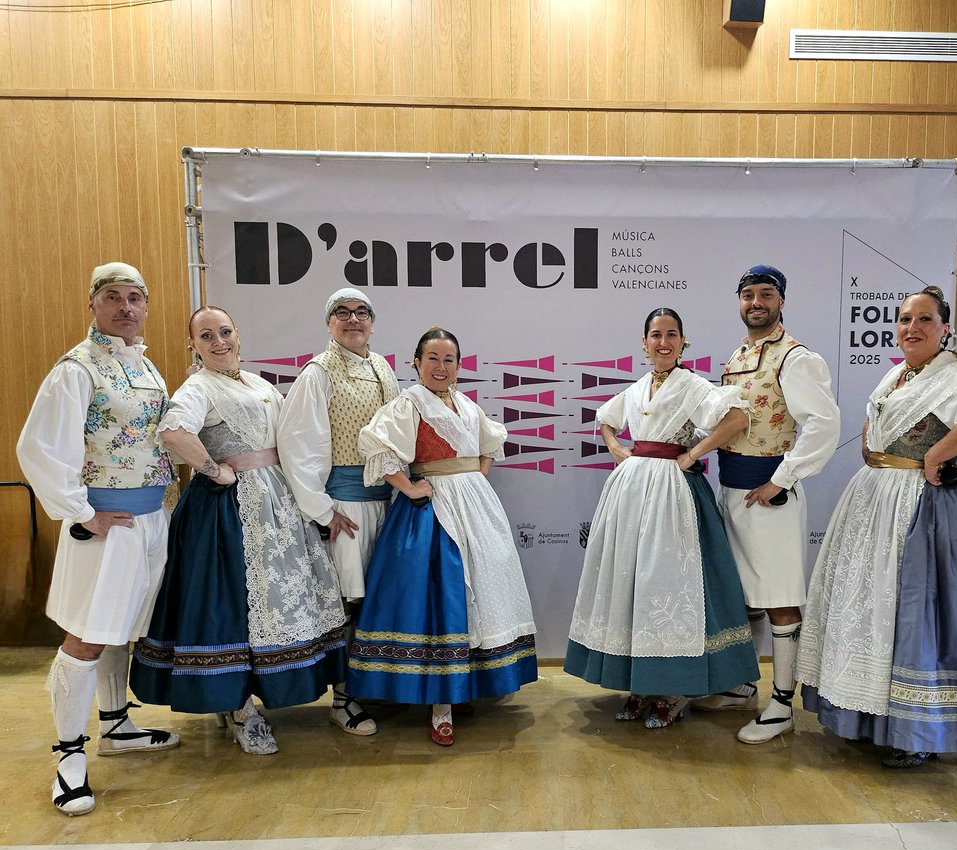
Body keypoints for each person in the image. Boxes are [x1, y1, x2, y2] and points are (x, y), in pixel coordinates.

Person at [795, 286, 957, 766]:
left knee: (913, 609)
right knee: (868, 605)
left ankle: (913, 729)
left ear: (945, 328)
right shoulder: (899, 375)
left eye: (924, 320)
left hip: (920, 505)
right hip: (877, 494)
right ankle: (864, 714)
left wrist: (938, 453)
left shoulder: (953, 375)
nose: (911, 328)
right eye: (904, 320)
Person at [130, 307, 348, 753]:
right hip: (229, 512)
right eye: (206, 335)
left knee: (272, 601)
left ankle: (244, 698)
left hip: (276, 501)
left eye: (224, 332)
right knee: (233, 603)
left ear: (238, 334)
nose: (218, 341)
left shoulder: (258, 384)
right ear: (192, 344)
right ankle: (239, 707)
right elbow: (173, 432)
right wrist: (214, 469)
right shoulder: (198, 386)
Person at [16, 262, 181, 816]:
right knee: (86, 637)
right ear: (93, 304)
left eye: (136, 297)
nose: (126, 307)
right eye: (113, 297)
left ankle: (116, 724)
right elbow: (39, 447)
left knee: (119, 631)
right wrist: (80, 514)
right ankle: (68, 756)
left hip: (148, 521)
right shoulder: (77, 368)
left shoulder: (145, 366)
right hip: (103, 527)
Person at [564, 308, 759, 729]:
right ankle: (643, 685)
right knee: (635, 585)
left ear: (683, 342)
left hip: (674, 495)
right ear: (644, 343)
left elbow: (739, 417)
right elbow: (605, 419)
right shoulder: (636, 389)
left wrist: (693, 453)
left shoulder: (692, 386)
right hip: (632, 492)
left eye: (672, 334)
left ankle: (676, 688)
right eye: (656, 334)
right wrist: (616, 447)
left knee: (669, 584)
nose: (663, 342)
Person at [349, 327, 537, 746]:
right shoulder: (409, 404)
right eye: (432, 358)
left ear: (459, 365)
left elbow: (491, 440)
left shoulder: (467, 406)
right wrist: (411, 486)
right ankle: (440, 705)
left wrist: (474, 475)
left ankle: (462, 686)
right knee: (444, 599)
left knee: (481, 598)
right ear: (416, 363)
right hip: (433, 513)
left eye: (448, 359)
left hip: (476, 508)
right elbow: (378, 447)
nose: (440, 367)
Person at [691, 265, 840, 744]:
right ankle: (742, 683)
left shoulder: (796, 357)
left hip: (769, 494)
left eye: (766, 294)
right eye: (748, 295)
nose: (756, 302)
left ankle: (782, 702)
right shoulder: (737, 356)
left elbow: (822, 424)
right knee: (741, 596)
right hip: (731, 490)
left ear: (781, 301)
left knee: (778, 600)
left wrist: (782, 480)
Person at [278, 288, 400, 736]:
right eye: (342, 313)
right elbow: (298, 445)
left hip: (388, 501)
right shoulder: (318, 373)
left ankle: (371, 683)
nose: (353, 319)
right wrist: (322, 509)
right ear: (329, 323)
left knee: (377, 599)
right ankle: (343, 698)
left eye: (361, 312)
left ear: (372, 321)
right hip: (346, 505)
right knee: (347, 601)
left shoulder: (382, 366)